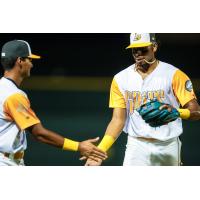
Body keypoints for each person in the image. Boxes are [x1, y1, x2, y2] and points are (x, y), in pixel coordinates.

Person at [84, 33, 200, 166]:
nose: (138, 53)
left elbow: (196, 111)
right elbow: (118, 120)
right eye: (135, 50)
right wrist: (101, 150)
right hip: (136, 145)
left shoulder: (173, 74)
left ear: (154, 47)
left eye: (143, 49)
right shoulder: (121, 78)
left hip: (167, 145)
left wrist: (178, 112)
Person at [0, 39, 107, 166]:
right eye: (30, 60)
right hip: (6, 161)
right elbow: (39, 134)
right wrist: (79, 146)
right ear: (20, 61)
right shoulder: (14, 95)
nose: (32, 65)